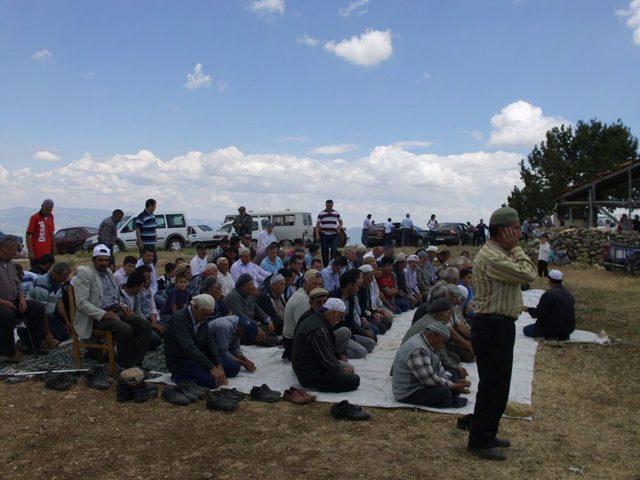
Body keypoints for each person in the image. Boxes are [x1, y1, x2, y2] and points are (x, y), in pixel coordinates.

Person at [467, 207, 536, 461]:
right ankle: (479, 439)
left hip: (498, 325)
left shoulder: (500, 253)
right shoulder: (493, 257)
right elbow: (528, 274)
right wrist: (517, 249)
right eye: (515, 228)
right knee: (492, 386)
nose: (519, 233)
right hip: (492, 326)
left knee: (498, 385)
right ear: (503, 231)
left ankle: (487, 432)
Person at [73, 244, 152, 369]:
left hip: (116, 311)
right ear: (93, 260)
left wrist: (124, 305)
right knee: (125, 329)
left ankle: (136, 363)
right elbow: (82, 303)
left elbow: (114, 295)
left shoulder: (109, 272)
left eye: (106, 260)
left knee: (144, 325)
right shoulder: (86, 273)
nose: (103, 263)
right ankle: (125, 365)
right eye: (100, 260)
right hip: (97, 317)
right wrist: (104, 314)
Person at [393, 322, 470, 408]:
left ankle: (451, 394)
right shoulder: (418, 349)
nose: (442, 345)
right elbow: (430, 380)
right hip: (409, 391)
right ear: (433, 336)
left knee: (453, 373)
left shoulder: (428, 342)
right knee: (444, 393)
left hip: (422, 382)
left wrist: (452, 383)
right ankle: (451, 401)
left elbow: (439, 370)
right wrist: (453, 385)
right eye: (442, 341)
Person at [292, 297, 360, 393]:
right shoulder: (318, 328)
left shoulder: (318, 319)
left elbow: (327, 350)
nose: (340, 320)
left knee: (350, 369)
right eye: (340, 316)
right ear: (333, 312)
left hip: (314, 366)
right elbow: (326, 360)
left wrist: (338, 361)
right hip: (309, 375)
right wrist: (341, 370)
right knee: (354, 380)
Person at [163, 294, 228, 389]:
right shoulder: (179, 318)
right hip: (180, 360)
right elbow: (189, 347)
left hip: (198, 356)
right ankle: (177, 377)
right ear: (195, 307)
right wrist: (211, 368)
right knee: (211, 382)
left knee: (233, 367)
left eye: (209, 315)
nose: (206, 317)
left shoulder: (202, 317)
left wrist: (219, 365)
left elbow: (210, 343)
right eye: (205, 314)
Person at [0, 234, 49, 359]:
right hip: (2, 303)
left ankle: (32, 344)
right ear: (3, 248)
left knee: (37, 308)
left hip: (14, 300)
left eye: (16, 249)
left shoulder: (10, 264)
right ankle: (7, 352)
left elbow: (17, 284)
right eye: (12, 250)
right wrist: (3, 302)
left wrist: (22, 298)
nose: (15, 253)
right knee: (7, 315)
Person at [332, 269, 376, 358]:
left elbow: (350, 321)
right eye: (356, 286)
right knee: (362, 352)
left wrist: (364, 333)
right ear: (349, 285)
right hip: (338, 333)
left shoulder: (351, 298)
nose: (358, 288)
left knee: (371, 343)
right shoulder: (334, 297)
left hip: (349, 332)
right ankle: (337, 353)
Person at [282, 269, 323, 359]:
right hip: (293, 343)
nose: (318, 287)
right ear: (305, 283)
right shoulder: (302, 300)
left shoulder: (307, 296)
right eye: (314, 284)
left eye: (320, 284)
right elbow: (305, 331)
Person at [524, 269, 575, 340]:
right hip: (567, 331)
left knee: (526, 330)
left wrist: (528, 309)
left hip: (551, 330)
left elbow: (539, 313)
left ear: (549, 280)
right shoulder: (569, 294)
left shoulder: (548, 294)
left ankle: (551, 336)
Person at [28, 261, 72, 342]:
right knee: (57, 338)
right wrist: (48, 333)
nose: (64, 280)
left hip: (51, 313)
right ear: (56, 274)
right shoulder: (42, 285)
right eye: (64, 277)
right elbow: (42, 311)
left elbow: (59, 303)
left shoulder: (58, 282)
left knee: (65, 337)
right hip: (39, 316)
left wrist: (67, 322)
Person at [225, 273, 275, 339]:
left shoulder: (248, 294)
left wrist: (269, 321)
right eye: (251, 284)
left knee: (272, 325)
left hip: (252, 324)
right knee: (268, 338)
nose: (253, 287)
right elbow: (240, 316)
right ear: (243, 286)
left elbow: (258, 310)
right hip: (242, 327)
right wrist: (256, 326)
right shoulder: (233, 297)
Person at [25, 199, 56, 272]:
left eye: (49, 209)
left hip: (47, 252)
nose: (47, 210)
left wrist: (54, 246)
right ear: (42, 206)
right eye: (45, 208)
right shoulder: (34, 217)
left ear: (52, 209)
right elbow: (27, 235)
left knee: (45, 273)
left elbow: (52, 232)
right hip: (36, 253)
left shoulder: (51, 217)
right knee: (36, 273)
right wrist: (30, 252)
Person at [315, 199, 343, 267]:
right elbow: (317, 225)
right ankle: (325, 266)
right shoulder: (321, 213)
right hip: (324, 235)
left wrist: (339, 228)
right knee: (324, 251)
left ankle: (332, 265)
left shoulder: (336, 213)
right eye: (328, 206)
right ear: (326, 205)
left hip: (334, 235)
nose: (329, 207)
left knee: (334, 250)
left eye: (330, 206)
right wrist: (317, 235)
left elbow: (341, 221)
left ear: (332, 205)